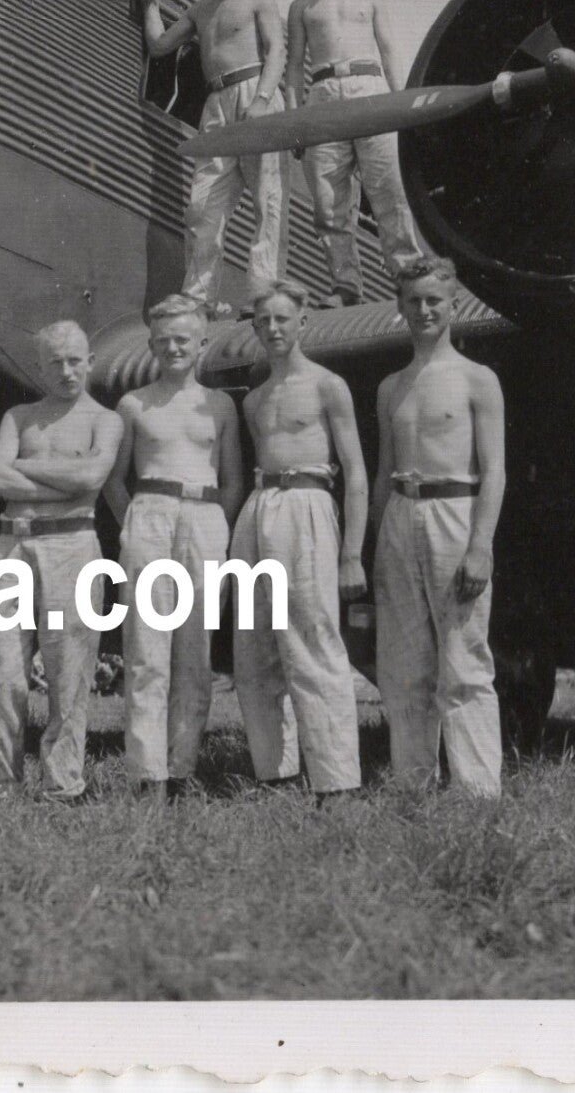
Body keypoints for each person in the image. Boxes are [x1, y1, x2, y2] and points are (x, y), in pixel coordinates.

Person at [0, 321, 124, 801]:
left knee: (70, 669)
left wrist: (26, 467)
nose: (66, 370)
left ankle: (62, 784)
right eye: (55, 361)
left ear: (90, 362)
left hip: (73, 545)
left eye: (75, 359)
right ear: (39, 367)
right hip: (11, 545)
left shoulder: (106, 419)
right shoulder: (19, 417)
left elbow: (93, 476)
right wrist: (68, 480)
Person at [371, 258, 506, 797]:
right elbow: (383, 471)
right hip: (402, 515)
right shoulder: (391, 387)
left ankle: (476, 790)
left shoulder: (478, 380)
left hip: (457, 511)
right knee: (404, 662)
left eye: (434, 300)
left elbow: (495, 470)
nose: (424, 310)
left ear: (453, 305)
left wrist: (481, 546)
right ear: (400, 307)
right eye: (413, 301)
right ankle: (413, 784)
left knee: (463, 659)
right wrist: (376, 545)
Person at [228, 282, 367, 801]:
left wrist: (352, 552)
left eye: (283, 319)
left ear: (303, 321)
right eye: (264, 322)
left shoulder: (329, 385)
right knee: (255, 646)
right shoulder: (256, 399)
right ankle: (276, 774)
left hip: (309, 505)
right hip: (260, 509)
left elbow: (354, 472)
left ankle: (336, 782)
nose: (274, 329)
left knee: (313, 640)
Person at [105, 295, 243, 799]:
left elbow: (232, 480)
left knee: (194, 652)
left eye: (183, 339)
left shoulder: (220, 404)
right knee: (146, 651)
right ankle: (148, 775)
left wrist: (214, 527)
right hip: (149, 514)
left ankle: (181, 768)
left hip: (204, 517)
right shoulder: (134, 404)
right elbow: (114, 479)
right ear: (150, 345)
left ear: (202, 341)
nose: (173, 348)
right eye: (163, 340)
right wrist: (132, 526)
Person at [135, 0, 287, 317]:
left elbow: (276, 53)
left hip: (255, 92)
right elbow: (159, 45)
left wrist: (263, 100)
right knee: (202, 205)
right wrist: (151, 4)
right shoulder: (199, 10)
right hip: (216, 103)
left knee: (266, 200)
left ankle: (263, 294)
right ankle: (198, 296)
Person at [285, 0, 433, 306]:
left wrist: (402, 106)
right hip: (322, 94)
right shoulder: (302, 5)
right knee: (328, 199)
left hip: (370, 88)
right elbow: (293, 66)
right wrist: (294, 121)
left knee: (389, 188)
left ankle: (408, 275)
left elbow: (388, 50)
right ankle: (346, 285)